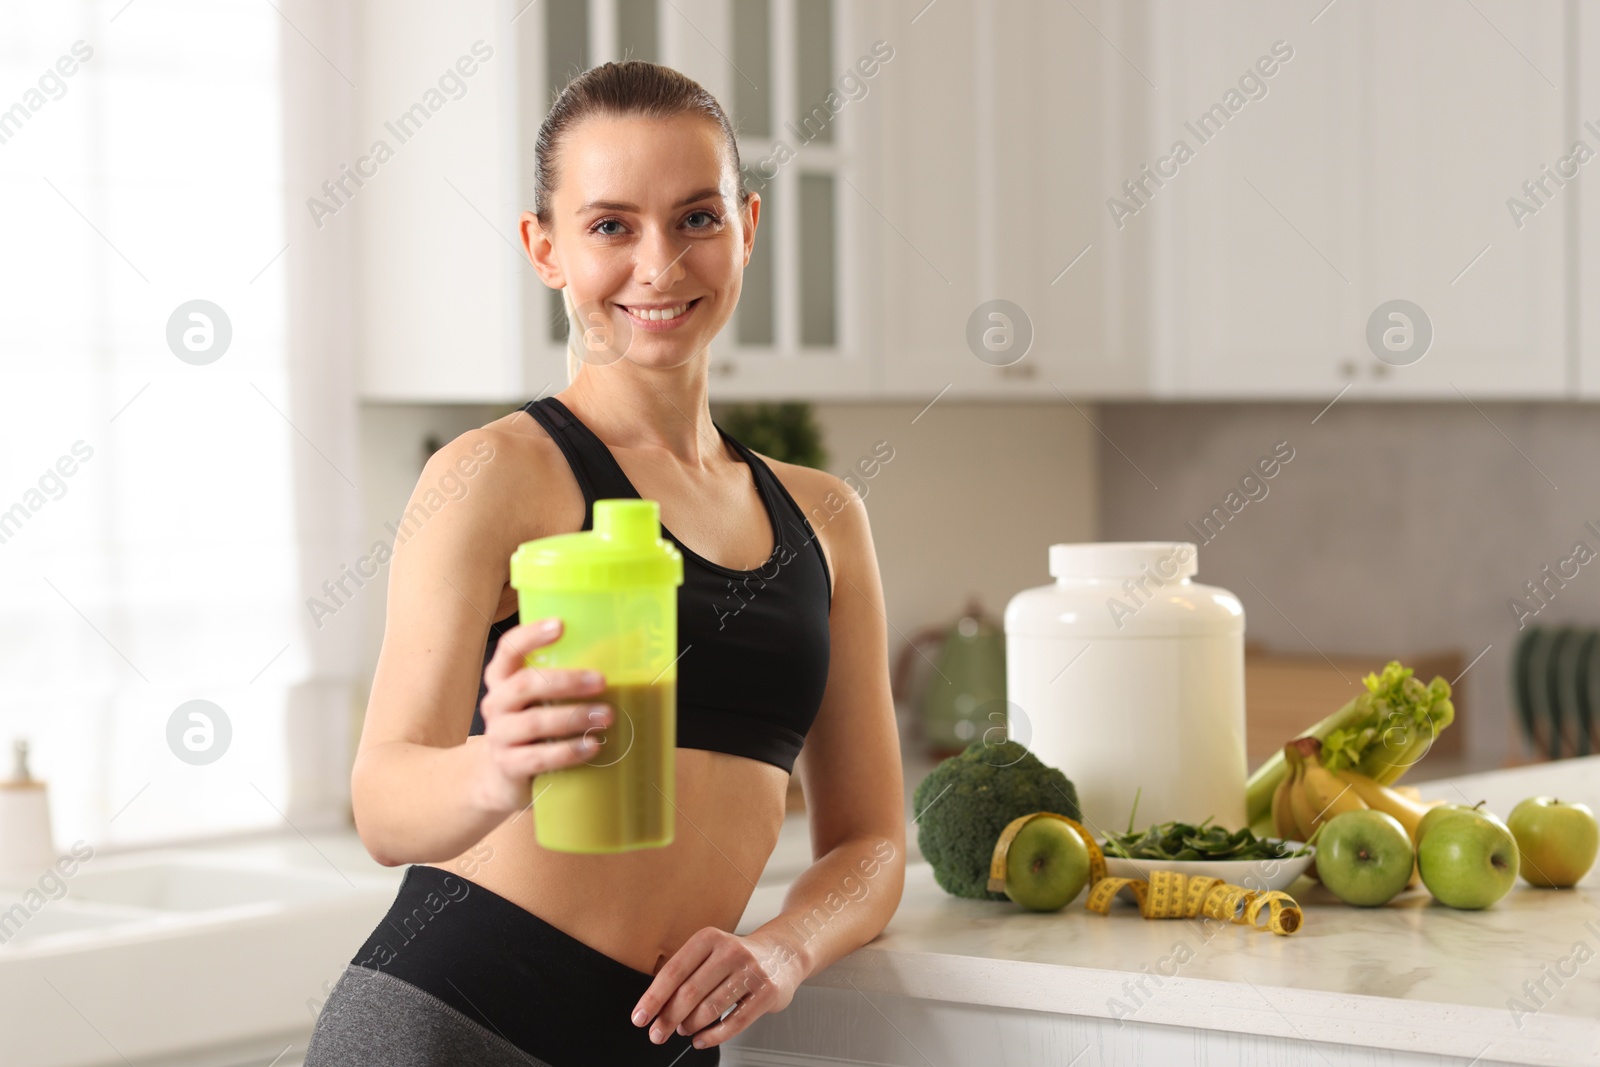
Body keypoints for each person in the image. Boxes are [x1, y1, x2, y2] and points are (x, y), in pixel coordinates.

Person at [305, 60, 905, 1066]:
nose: (659, 265)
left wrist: (785, 946)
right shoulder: (494, 473)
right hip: (448, 1026)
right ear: (546, 248)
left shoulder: (826, 518)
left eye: (696, 218)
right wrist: (495, 766)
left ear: (747, 227)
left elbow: (871, 844)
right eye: (612, 225)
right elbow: (383, 800)